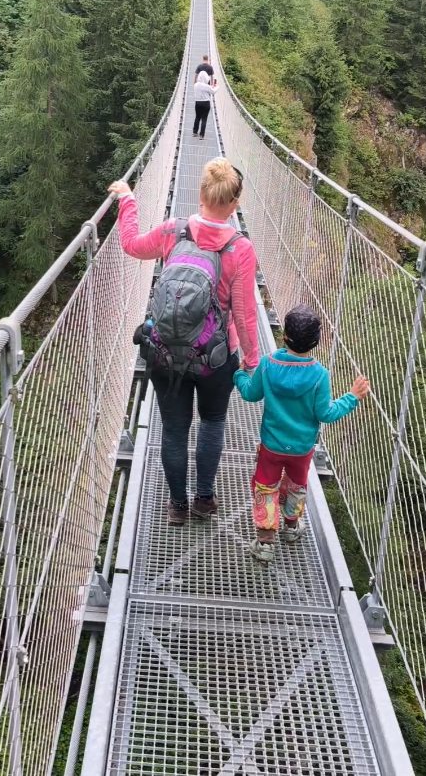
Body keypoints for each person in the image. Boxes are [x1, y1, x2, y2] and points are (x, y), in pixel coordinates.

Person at [109, 160, 260, 526]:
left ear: (200, 193)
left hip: (164, 353)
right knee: (212, 424)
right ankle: (203, 499)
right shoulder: (240, 250)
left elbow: (130, 244)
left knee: (174, 431)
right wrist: (252, 361)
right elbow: (244, 313)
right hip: (215, 358)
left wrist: (128, 201)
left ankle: (177, 505)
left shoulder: (171, 232)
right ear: (235, 203)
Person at [234, 305, 370, 563]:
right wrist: (352, 397)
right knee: (297, 485)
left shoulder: (268, 364)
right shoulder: (320, 375)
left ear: (284, 337)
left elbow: (251, 394)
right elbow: (326, 414)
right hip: (301, 449)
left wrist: (239, 374)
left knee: (266, 485)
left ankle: (265, 542)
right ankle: (291, 527)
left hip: (271, 445)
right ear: (316, 342)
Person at [193, 70, 217, 139]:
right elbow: (213, 92)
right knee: (204, 119)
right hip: (206, 103)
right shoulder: (206, 86)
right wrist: (217, 87)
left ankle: (194, 132)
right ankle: (201, 135)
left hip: (198, 103)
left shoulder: (195, 85)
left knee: (197, 117)